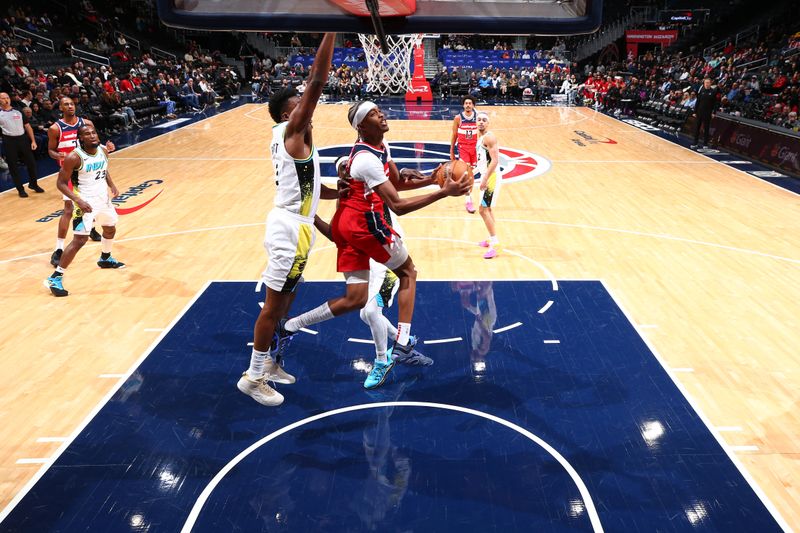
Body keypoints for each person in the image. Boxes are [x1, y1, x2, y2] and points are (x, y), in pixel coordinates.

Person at [277, 101, 471, 392]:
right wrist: (443, 191)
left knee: (355, 299)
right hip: (368, 228)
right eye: (373, 114)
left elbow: (393, 183)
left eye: (379, 110)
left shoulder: (378, 149)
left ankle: (288, 326)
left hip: (345, 228)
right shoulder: (365, 161)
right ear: (360, 127)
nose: (381, 114)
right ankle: (401, 345)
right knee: (408, 273)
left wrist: (431, 179)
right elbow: (398, 205)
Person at [237, 33, 339, 407]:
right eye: (301, 107)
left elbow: (313, 188)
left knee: (286, 300)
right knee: (272, 306)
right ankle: (253, 376)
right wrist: (331, 29)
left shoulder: (298, 142)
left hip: (298, 226)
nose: (309, 110)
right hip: (288, 228)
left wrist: (342, 192)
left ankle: (271, 362)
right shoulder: (292, 131)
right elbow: (316, 79)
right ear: (288, 115)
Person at [315, 157, 435, 371]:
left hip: (390, 261)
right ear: (340, 176)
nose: (347, 169)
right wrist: (311, 217)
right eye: (343, 168)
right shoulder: (345, 200)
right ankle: (405, 345)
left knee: (370, 313)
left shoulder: (370, 185)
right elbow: (335, 234)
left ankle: (383, 362)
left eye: (349, 165)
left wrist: (403, 171)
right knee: (365, 313)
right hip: (371, 264)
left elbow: (388, 180)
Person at [44, 124, 124, 297]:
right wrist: (77, 200)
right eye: (87, 134)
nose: (92, 135)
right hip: (85, 203)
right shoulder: (74, 157)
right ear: (81, 139)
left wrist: (111, 184)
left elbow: (103, 169)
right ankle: (55, 277)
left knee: (110, 228)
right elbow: (61, 183)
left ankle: (105, 258)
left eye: (94, 132)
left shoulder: (103, 150)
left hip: (103, 200)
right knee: (80, 240)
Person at [48, 96, 114, 267]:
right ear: (60, 107)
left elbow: (96, 146)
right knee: (69, 209)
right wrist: (58, 155)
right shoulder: (56, 128)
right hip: (72, 174)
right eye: (66, 104)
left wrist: (106, 149)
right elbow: (50, 150)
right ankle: (59, 248)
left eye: (71, 103)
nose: (70, 106)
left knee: (92, 205)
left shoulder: (86, 123)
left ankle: (90, 229)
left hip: (89, 170)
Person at [0, 92, 43, 197]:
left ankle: (33, 184)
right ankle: (20, 189)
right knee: (13, 166)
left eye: (7, 97)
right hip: (9, 140)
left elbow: (28, 126)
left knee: (31, 163)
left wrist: (33, 141)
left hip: (22, 139)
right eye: (3, 98)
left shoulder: (18, 111)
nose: (6, 100)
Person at [475, 112, 502, 259]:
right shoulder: (480, 138)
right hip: (487, 175)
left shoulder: (489, 137)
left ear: (488, 123)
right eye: (478, 120)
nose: (480, 122)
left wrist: (485, 178)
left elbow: (495, 160)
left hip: (491, 177)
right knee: (488, 209)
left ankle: (495, 242)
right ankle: (490, 238)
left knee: (482, 210)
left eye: (484, 120)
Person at [450, 95, 478, 213]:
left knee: (475, 172)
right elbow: (454, 135)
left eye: (470, 103)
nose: (467, 105)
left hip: (476, 148)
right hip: (463, 148)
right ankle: (468, 200)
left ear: (473, 105)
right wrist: (451, 149)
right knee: (467, 174)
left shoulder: (478, 117)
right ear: (463, 105)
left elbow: (483, 133)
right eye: (466, 103)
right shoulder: (458, 118)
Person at [691, 77, 718, 150]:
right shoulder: (701, 91)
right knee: (697, 128)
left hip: (708, 113)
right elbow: (697, 102)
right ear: (704, 83)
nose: (706, 84)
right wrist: (694, 111)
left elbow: (715, 104)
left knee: (706, 129)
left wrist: (714, 112)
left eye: (708, 82)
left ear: (710, 83)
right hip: (699, 112)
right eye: (705, 82)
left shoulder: (713, 92)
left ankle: (705, 144)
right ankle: (695, 143)